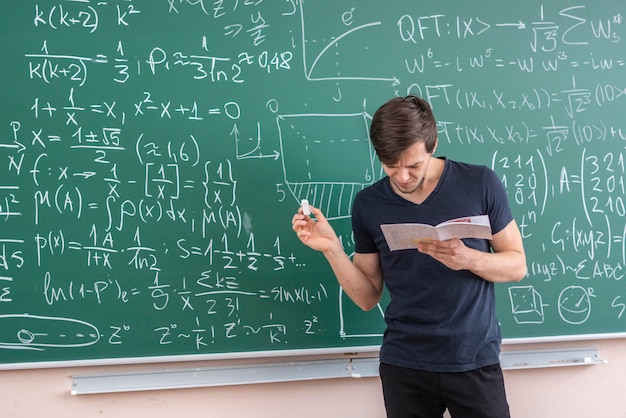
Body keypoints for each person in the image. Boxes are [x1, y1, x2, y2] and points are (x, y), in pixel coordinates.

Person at [291, 95, 527, 418]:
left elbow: (517, 265)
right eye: (391, 166)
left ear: (433, 144)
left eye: (413, 165)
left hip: (474, 358)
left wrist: (469, 259)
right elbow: (367, 296)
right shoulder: (368, 204)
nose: (402, 177)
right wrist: (332, 249)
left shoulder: (480, 183)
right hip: (405, 363)